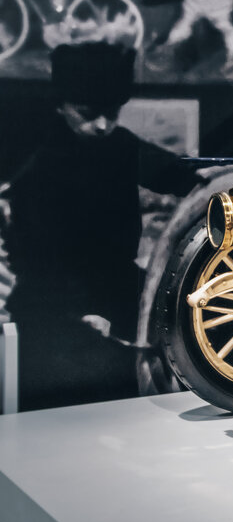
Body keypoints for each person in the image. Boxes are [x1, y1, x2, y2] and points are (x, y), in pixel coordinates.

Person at [0, 40, 202, 410]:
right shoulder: (38, 163)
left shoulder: (121, 145)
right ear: (61, 106)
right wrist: (77, 312)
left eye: (112, 112)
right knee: (67, 408)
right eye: (88, 113)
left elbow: (181, 174)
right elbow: (31, 253)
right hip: (53, 301)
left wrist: (215, 176)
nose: (102, 125)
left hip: (116, 286)